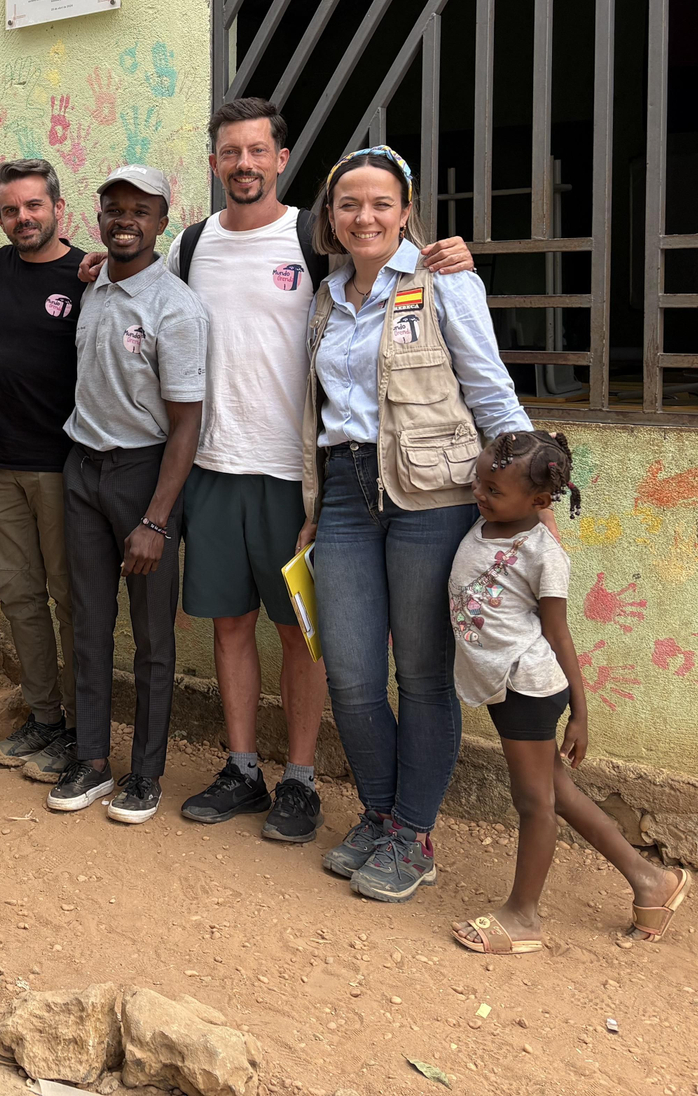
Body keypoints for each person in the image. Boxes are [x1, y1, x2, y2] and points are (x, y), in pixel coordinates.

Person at [149, 99, 475, 846]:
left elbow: (381, 268)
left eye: (257, 151)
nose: (243, 165)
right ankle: (240, 769)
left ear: (281, 159)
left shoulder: (310, 238)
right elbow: (151, 300)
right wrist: (97, 266)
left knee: (301, 634)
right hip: (210, 465)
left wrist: (444, 256)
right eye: (230, 152)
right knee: (228, 627)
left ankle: (299, 780)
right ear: (214, 162)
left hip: (294, 476)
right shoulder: (192, 246)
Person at [296, 146, 532, 903]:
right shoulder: (326, 297)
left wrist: (531, 498)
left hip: (431, 497)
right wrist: (310, 509)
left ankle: (412, 833)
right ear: (331, 218)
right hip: (345, 495)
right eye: (348, 204)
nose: (364, 216)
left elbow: (489, 389)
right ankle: (377, 812)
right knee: (354, 675)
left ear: (405, 211)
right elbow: (318, 413)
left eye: (380, 204)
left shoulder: (444, 282)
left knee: (422, 675)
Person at [448, 432, 690, 954]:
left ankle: (523, 917)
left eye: (493, 488)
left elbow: (559, 633)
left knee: (534, 801)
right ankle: (651, 882)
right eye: (480, 482)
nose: (480, 493)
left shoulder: (542, 552)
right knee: (558, 795)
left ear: (539, 501)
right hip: (506, 684)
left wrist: (581, 714)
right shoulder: (489, 525)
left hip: (527, 688)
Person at [46, 166, 206, 823]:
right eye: (114, 208)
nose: (125, 220)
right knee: (88, 622)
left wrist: (157, 520)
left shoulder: (177, 307)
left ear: (162, 221)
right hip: (82, 469)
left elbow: (187, 423)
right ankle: (90, 759)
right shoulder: (96, 286)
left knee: (150, 637)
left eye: (140, 210)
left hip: (145, 478)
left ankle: (145, 772)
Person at [0, 159, 88, 786]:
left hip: (60, 465)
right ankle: (45, 716)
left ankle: (82, 730)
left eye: (34, 206)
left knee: (72, 599)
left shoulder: (89, 273)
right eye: (11, 210)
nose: (24, 218)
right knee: (19, 597)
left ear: (57, 208)